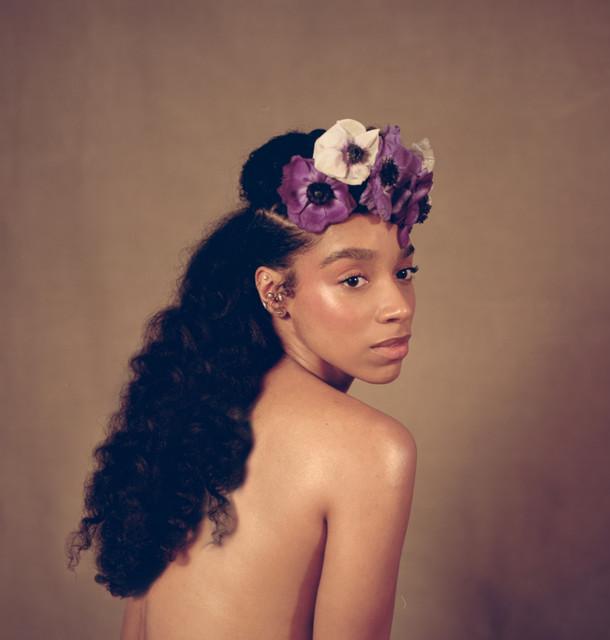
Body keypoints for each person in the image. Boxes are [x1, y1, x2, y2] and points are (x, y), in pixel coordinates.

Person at [67, 118, 435, 639]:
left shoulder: (198, 410)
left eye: (404, 272)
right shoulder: (372, 449)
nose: (398, 306)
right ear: (275, 291)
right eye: (353, 279)